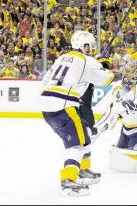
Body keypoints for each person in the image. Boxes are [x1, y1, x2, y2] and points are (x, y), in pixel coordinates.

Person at [40, 31, 114, 196]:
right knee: (76, 145)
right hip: (64, 104)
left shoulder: (61, 58)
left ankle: (82, 169)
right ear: (84, 46)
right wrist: (105, 65)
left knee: (84, 133)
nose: (91, 49)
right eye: (90, 46)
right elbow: (106, 79)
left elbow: (46, 81)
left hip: (47, 105)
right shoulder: (87, 60)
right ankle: (68, 180)